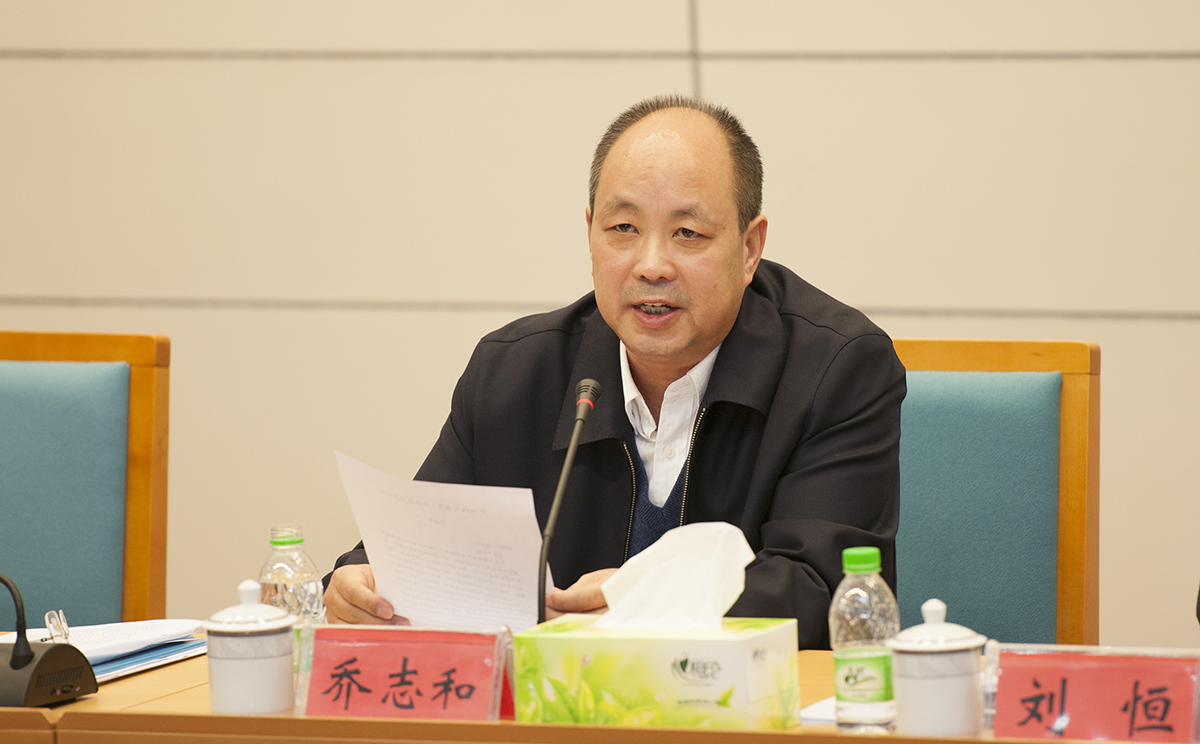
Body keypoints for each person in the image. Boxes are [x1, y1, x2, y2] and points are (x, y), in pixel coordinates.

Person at [324, 95, 906, 649]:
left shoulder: (836, 369)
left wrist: (644, 604)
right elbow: (424, 544)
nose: (651, 266)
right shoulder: (513, 374)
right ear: (590, 233)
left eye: (688, 234)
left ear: (749, 248)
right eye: (623, 229)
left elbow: (826, 591)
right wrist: (362, 583)